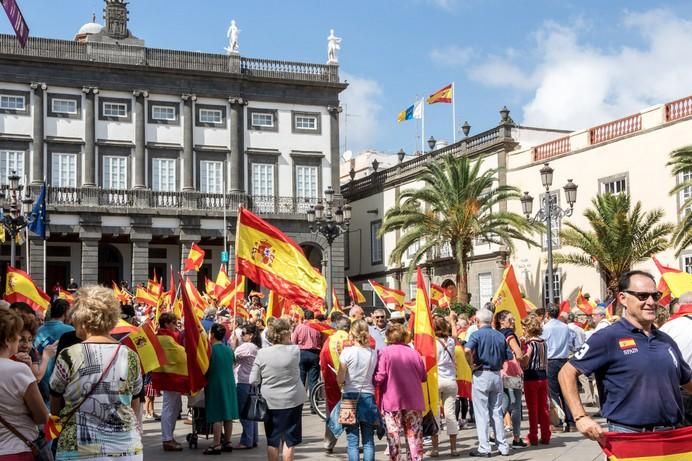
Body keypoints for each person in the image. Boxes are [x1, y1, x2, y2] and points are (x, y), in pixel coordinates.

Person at [559, 271, 692, 439]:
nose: (651, 302)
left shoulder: (665, 340)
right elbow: (566, 372)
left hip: (671, 436)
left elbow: (687, 380)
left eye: (655, 296)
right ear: (623, 298)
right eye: (642, 296)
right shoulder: (608, 337)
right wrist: (580, 417)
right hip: (630, 438)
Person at [49, 285, 143, 461]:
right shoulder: (130, 355)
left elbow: (55, 400)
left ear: (82, 319)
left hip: (78, 449)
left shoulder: (69, 355)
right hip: (125, 447)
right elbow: (134, 403)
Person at [250, 318, 305, 461]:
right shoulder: (294, 351)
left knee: (273, 440)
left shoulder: (262, 353)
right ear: (287, 333)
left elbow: (253, 380)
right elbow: (291, 344)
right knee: (290, 441)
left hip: (270, 401)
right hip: (293, 399)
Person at [0, 309, 49, 461]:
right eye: (18, 337)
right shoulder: (18, 370)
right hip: (17, 450)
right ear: (8, 339)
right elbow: (42, 416)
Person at [373, 323, 426, 461]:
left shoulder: (384, 352)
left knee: (393, 434)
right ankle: (415, 458)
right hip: (413, 399)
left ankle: (395, 459)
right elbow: (423, 376)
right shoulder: (414, 353)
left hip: (392, 399)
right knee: (414, 433)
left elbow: (381, 376)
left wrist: (371, 380)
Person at [464, 308, 512, 457]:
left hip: (481, 373)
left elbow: (466, 350)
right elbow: (508, 356)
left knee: (481, 413)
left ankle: (484, 447)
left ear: (478, 321)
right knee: (497, 412)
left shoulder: (476, 334)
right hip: (496, 374)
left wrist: (470, 364)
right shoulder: (499, 335)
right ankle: (503, 445)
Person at [337, 319, 379, 461]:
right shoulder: (374, 353)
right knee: (368, 440)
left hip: (349, 396)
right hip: (368, 396)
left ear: (351, 334)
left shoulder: (346, 352)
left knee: (352, 441)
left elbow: (340, 379)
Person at [151, 312, 186, 451]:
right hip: (170, 377)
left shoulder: (167, 337)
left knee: (174, 407)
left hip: (171, 375)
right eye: (173, 323)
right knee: (169, 408)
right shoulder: (165, 338)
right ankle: (167, 439)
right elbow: (180, 353)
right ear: (166, 324)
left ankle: (169, 437)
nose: (175, 326)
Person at [203, 323, 239, 454]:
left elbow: (205, 368)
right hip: (229, 382)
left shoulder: (210, 350)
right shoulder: (229, 349)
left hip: (215, 383)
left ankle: (216, 443)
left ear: (212, 334)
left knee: (217, 414)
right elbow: (233, 363)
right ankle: (227, 441)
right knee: (228, 414)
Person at [494, 310, 527, 449]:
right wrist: (526, 357)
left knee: (503, 404)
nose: (512, 321)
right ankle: (517, 437)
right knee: (515, 406)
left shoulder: (496, 334)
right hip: (513, 371)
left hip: (500, 371)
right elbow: (519, 355)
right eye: (510, 319)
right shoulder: (509, 334)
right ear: (502, 321)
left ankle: (494, 433)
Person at [542, 304, 576, 432]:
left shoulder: (546, 328)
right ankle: (571, 421)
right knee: (565, 391)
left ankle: (557, 421)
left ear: (547, 314)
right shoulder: (565, 327)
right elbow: (573, 343)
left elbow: (543, 345)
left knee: (553, 392)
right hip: (564, 359)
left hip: (551, 360)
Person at [320, 315, 350, 453]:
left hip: (332, 381)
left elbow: (322, 361)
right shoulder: (351, 340)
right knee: (349, 411)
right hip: (349, 382)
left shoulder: (329, 340)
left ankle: (329, 443)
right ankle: (352, 442)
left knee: (331, 411)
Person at [34, 298, 74, 402]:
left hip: (39, 381)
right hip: (61, 384)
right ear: (65, 312)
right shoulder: (71, 331)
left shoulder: (38, 330)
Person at [520, 314, 551, 446]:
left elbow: (526, 360)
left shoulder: (530, 344)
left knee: (533, 409)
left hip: (531, 377)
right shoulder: (542, 342)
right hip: (543, 377)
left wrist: (521, 353)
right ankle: (545, 435)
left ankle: (533, 436)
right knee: (543, 408)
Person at [433, 316, 460, 456]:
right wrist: (452, 321)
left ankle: (435, 448)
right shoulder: (450, 341)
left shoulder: (431, 342)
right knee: (451, 415)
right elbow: (455, 335)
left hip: (436, 380)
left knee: (436, 414)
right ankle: (454, 448)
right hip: (450, 380)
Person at [234, 323, 262, 450]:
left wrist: (234, 344)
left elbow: (233, 356)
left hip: (243, 381)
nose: (242, 335)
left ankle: (246, 440)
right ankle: (253, 438)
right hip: (252, 382)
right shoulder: (256, 347)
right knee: (251, 412)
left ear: (250, 335)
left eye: (244, 333)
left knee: (244, 412)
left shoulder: (247, 347)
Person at [291, 309, 323, 397]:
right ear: (313, 317)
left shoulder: (299, 327)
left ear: (304, 317)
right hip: (314, 354)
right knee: (313, 381)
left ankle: (299, 406)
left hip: (302, 354)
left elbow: (293, 342)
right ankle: (314, 405)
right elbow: (321, 341)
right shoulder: (317, 327)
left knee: (301, 380)